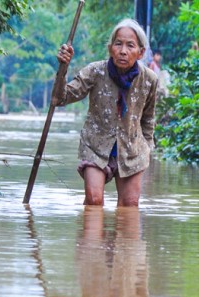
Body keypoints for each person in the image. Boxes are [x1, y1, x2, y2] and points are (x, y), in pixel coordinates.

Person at [55, 19, 158, 207]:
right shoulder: (95, 71)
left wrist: (148, 147)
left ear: (141, 52)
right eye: (118, 44)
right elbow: (60, 99)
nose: (123, 51)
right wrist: (63, 68)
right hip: (96, 145)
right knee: (94, 201)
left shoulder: (149, 79)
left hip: (132, 148)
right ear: (110, 48)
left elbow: (148, 118)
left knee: (129, 205)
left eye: (130, 45)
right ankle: (91, 235)